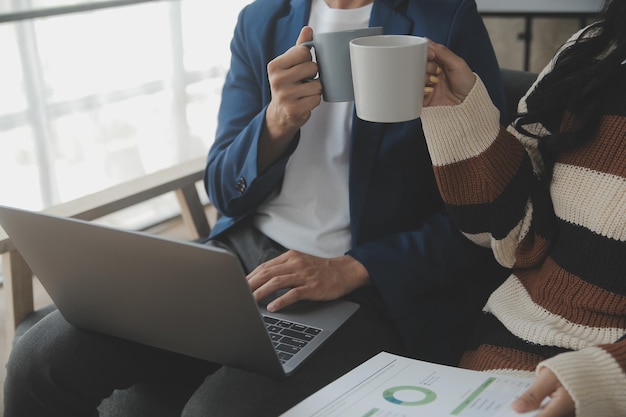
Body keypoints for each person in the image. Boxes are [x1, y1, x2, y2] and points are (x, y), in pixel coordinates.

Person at [4, 1, 508, 416]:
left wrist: (353, 268)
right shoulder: (262, 20)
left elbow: (489, 212)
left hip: (363, 283)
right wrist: (276, 121)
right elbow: (224, 187)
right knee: (39, 358)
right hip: (240, 259)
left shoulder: (445, 21)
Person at [421, 0, 626, 416]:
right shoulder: (592, 51)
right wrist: (459, 114)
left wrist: (611, 376)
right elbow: (516, 238)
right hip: (499, 360)